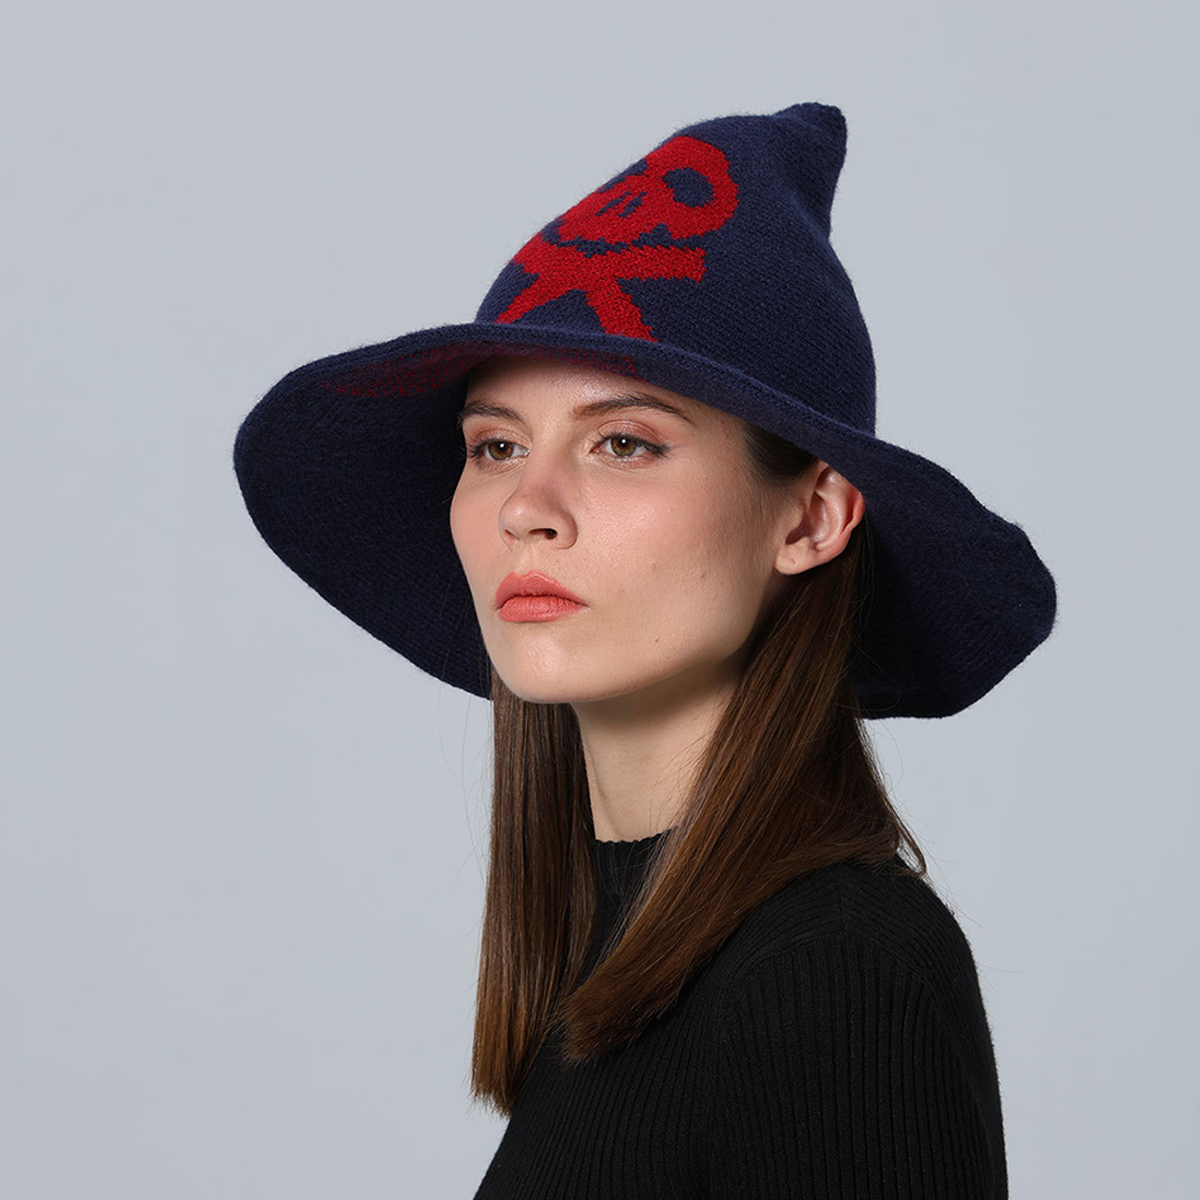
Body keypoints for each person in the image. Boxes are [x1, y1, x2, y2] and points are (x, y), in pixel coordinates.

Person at [233, 101, 1056, 1198]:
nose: (527, 508)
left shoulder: (835, 969)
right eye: (495, 445)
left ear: (811, 519)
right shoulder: (626, 955)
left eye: (622, 442)